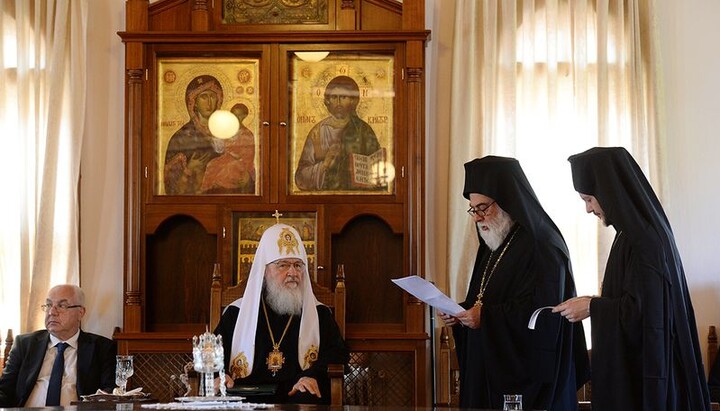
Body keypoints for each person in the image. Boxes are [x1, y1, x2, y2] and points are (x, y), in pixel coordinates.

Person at [554, 146, 711, 410]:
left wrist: (592, 307)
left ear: (609, 191)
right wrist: (593, 302)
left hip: (646, 383)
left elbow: (645, 313)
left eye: (589, 199)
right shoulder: (630, 234)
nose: (588, 209)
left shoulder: (644, 241)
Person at [439, 156, 589, 410]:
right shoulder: (494, 243)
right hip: (489, 372)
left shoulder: (542, 245)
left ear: (507, 200)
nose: (477, 218)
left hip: (529, 385)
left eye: (483, 208)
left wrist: (485, 317)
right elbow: (487, 298)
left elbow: (545, 316)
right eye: (473, 209)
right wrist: (462, 313)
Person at [214, 223, 348, 404]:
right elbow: (212, 352)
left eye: (298, 265)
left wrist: (312, 375)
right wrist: (219, 375)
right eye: (283, 265)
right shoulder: (236, 313)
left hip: (297, 394)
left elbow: (338, 353)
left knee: (309, 395)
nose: (293, 272)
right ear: (264, 271)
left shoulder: (319, 314)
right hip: (247, 395)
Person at [0, 284, 116, 407]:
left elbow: (109, 393)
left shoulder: (102, 348)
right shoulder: (25, 344)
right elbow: (4, 390)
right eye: (48, 305)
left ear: (80, 313)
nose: (52, 312)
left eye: (62, 306)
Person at [294, 75, 382, 191]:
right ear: (327, 101)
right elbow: (300, 177)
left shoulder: (363, 130)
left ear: (353, 100)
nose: (339, 102)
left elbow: (378, 170)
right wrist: (325, 164)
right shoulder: (317, 132)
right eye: (334, 97)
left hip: (357, 195)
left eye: (343, 97)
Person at [164, 74, 225, 195]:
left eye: (212, 96)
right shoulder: (181, 137)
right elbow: (171, 189)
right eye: (204, 97)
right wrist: (190, 168)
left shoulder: (225, 132)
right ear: (194, 102)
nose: (209, 102)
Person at [201, 103, 256, 194]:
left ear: (244, 116)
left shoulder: (247, 134)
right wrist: (216, 137)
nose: (236, 118)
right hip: (226, 159)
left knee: (226, 170)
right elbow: (220, 149)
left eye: (239, 115)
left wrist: (244, 168)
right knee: (211, 164)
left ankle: (219, 188)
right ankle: (206, 191)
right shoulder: (228, 131)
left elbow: (249, 155)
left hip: (241, 163)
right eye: (234, 115)